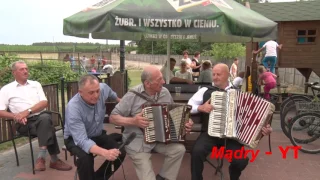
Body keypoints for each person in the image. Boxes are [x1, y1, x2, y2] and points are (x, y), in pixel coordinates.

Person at [188, 63, 273, 180]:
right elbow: (188, 106)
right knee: (196, 152)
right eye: (214, 74)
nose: (215, 77)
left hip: (232, 137)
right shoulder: (205, 90)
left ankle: (234, 177)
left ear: (228, 75)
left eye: (219, 74)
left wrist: (265, 127)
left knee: (241, 161)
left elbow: (255, 116)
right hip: (209, 134)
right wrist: (200, 108)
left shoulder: (238, 93)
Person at [110, 65, 194, 180]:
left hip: (159, 139)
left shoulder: (164, 93)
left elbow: (173, 112)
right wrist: (133, 121)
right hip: (137, 141)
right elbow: (113, 117)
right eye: (159, 80)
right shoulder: (132, 95)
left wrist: (186, 121)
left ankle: (164, 177)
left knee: (179, 149)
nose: (164, 82)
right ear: (147, 84)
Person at [0, 60, 72, 172]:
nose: (25, 71)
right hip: (23, 124)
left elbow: (44, 103)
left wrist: (27, 111)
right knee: (48, 124)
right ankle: (54, 160)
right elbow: (0, 111)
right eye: (22, 69)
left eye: (26, 68)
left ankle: (41, 158)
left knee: (45, 118)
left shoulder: (35, 84)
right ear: (14, 72)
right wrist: (16, 116)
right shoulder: (6, 89)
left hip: (40, 117)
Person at [63, 74, 123, 180]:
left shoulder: (102, 88)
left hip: (97, 134)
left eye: (97, 91)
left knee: (120, 151)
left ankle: (99, 177)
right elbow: (82, 140)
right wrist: (105, 153)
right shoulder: (73, 108)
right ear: (80, 92)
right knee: (85, 158)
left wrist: (120, 101)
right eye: (91, 93)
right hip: (74, 139)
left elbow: (110, 92)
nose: (96, 95)